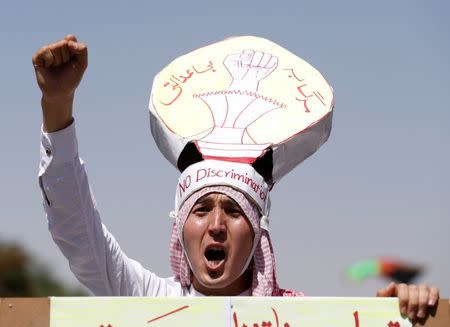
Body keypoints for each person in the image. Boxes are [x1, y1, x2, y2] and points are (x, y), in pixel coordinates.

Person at [33, 35, 439, 321]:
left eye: (232, 211)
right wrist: (56, 104)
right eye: (202, 209)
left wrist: (406, 313)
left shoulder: (296, 317)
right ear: (180, 226)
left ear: (258, 230)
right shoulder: (149, 303)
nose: (216, 226)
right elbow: (77, 231)